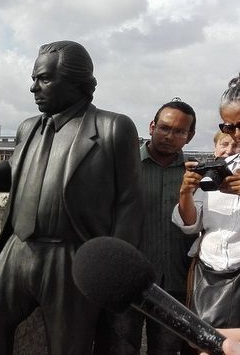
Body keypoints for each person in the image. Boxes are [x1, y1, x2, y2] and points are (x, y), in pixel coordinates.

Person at [0, 40, 142, 354]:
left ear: (76, 83)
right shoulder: (28, 128)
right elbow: (15, 169)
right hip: (19, 247)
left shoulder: (112, 128)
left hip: (71, 253)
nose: (34, 88)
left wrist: (113, 273)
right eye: (34, 79)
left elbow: (130, 202)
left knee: (69, 344)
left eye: (44, 79)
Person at [95, 99, 197, 355]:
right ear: (152, 126)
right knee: (120, 348)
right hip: (126, 279)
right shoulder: (123, 166)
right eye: (164, 127)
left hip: (175, 281)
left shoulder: (194, 177)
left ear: (190, 136)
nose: (169, 136)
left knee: (166, 350)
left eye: (179, 131)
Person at [172, 73, 240, 332]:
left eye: (239, 125)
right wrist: (185, 192)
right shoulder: (218, 166)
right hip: (208, 272)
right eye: (227, 126)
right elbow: (191, 225)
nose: (234, 135)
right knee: (207, 344)